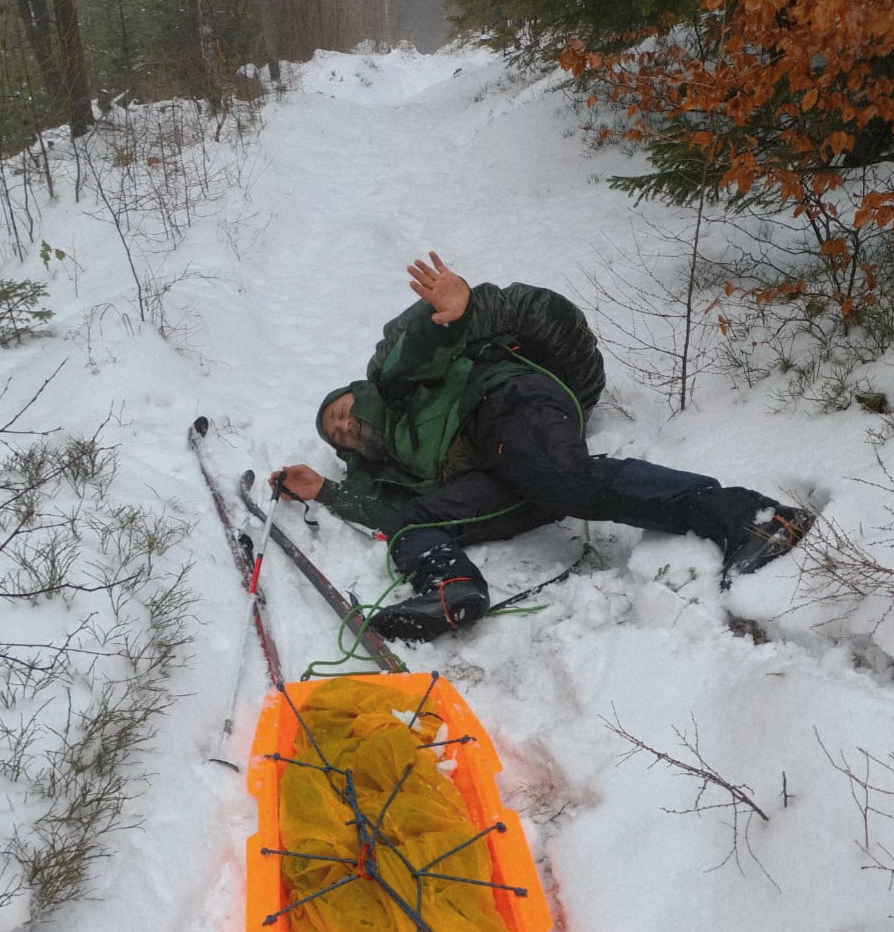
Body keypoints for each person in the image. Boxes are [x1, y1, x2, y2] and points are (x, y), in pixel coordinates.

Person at [272, 252, 813, 643]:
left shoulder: (393, 379)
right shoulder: (379, 468)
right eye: (337, 434)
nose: (344, 426)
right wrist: (325, 491)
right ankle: (452, 588)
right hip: (494, 469)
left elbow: (422, 340)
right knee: (411, 524)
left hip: (504, 402)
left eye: (342, 411)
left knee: (558, 478)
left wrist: (460, 310)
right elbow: (387, 513)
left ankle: (752, 517)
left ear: (358, 393)